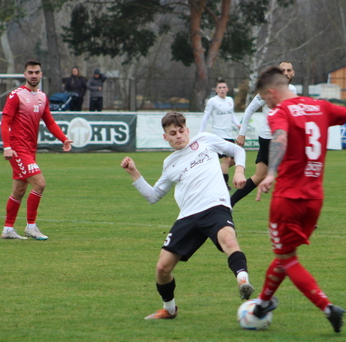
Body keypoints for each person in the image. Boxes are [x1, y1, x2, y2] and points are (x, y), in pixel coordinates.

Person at [252, 66, 346, 332]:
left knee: (287, 258)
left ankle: (328, 308)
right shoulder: (320, 106)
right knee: (285, 255)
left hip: (288, 199)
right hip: (314, 200)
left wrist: (270, 173)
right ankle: (262, 303)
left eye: (265, 99)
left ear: (271, 92)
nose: (267, 105)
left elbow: (280, 137)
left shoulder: (279, 112)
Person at [121, 111, 254, 320]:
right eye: (173, 133)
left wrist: (239, 171)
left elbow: (237, 150)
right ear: (165, 137)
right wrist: (134, 173)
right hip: (188, 216)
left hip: (215, 206)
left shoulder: (205, 140)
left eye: (181, 131)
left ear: (188, 130)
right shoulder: (169, 163)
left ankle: (243, 280)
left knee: (228, 239)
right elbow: (154, 196)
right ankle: (170, 309)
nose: (178, 136)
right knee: (162, 268)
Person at [0, 60, 73, 240]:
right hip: (17, 150)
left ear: (41, 75)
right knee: (40, 183)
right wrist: (7, 147)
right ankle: (31, 226)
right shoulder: (16, 95)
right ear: (24, 75)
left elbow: (49, 121)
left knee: (19, 191)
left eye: (37, 72)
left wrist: (63, 138)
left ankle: (8, 229)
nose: (33, 75)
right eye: (30, 72)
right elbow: (5, 122)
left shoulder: (42, 97)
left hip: (30, 150)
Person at [231, 61, 298, 206]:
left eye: (288, 70)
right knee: (291, 177)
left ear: (293, 73)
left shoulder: (292, 90)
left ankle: (228, 204)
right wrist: (242, 134)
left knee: (259, 176)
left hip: (282, 138)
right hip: (270, 139)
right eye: (282, 71)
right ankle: (300, 217)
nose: (286, 73)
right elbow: (249, 110)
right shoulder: (268, 90)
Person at [199, 78, 241, 190]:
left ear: (227, 89)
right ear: (216, 90)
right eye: (220, 88)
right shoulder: (212, 101)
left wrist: (238, 124)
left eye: (224, 87)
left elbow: (231, 115)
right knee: (226, 159)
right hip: (219, 135)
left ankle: (212, 174)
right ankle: (224, 184)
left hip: (229, 135)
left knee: (235, 159)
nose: (222, 89)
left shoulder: (230, 100)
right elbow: (206, 116)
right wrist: (200, 132)